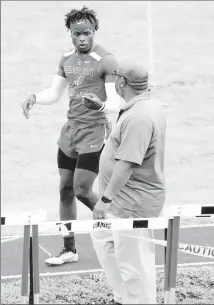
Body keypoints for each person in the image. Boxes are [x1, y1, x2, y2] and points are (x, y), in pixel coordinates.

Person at [22, 6, 120, 266]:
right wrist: (35, 98)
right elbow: (54, 94)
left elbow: (117, 101)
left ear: (94, 31)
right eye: (77, 34)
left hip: (94, 131)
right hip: (70, 132)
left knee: (82, 190)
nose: (82, 39)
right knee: (65, 189)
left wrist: (98, 106)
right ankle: (69, 249)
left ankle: (119, 227)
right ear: (70, 34)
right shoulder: (66, 59)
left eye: (87, 33)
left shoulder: (106, 60)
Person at [83, 59, 166, 304]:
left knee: (134, 266)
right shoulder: (142, 106)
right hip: (121, 201)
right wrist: (101, 109)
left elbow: (127, 163)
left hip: (131, 204)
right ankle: (122, 298)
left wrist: (104, 200)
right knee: (104, 242)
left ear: (121, 81)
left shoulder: (139, 118)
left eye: (116, 76)